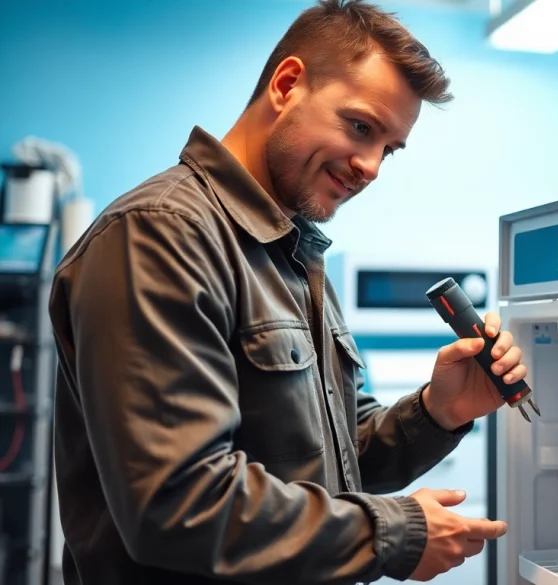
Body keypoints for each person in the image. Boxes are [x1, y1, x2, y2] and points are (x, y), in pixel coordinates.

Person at [47, 1, 524, 583]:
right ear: (287, 84)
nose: (371, 166)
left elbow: (327, 460)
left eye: (389, 149)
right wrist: (395, 532)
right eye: (361, 127)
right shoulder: (160, 235)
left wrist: (439, 411)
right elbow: (178, 505)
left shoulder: (290, 251)